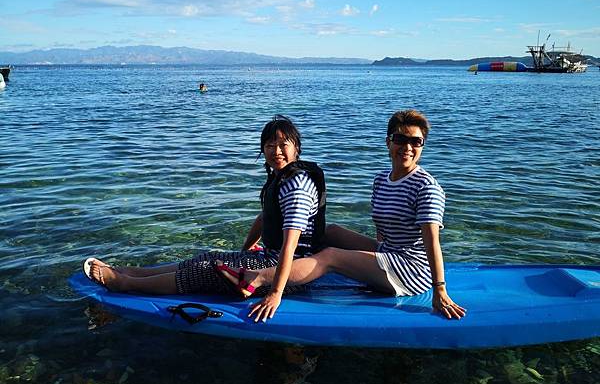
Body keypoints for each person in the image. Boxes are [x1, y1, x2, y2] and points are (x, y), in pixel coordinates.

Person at [217, 110, 466, 322]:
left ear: (423, 145)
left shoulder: (426, 187)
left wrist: (439, 290)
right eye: (400, 139)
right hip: (390, 250)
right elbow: (383, 230)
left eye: (416, 142)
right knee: (329, 232)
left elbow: (432, 243)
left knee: (330, 257)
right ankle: (294, 263)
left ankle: (257, 278)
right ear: (388, 141)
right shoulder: (382, 180)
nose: (408, 147)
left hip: (412, 270)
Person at [83, 115, 326, 304]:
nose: (277, 151)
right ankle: (133, 272)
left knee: (206, 272)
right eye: (270, 145)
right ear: (262, 149)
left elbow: (290, 245)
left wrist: (275, 293)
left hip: (291, 274)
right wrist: (242, 252)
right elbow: (264, 219)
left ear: (297, 148)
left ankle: (125, 284)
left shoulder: (296, 184)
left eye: (284, 144)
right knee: (209, 257)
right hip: (268, 258)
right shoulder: (280, 178)